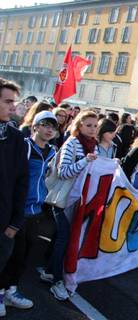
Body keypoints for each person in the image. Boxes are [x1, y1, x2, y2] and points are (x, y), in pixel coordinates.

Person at [1, 111, 57, 314]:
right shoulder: (24, 146)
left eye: (53, 126)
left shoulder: (52, 151)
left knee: (23, 256)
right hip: (17, 210)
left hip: (36, 210)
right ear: (35, 126)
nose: (49, 129)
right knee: (9, 255)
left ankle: (11, 291)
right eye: (45, 125)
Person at [46, 110, 99, 301]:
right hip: (63, 199)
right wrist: (85, 160)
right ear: (79, 125)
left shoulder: (94, 146)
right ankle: (56, 281)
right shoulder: (72, 143)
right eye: (89, 125)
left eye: (95, 125)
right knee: (64, 238)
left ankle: (50, 271)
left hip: (79, 201)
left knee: (65, 238)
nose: (93, 129)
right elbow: (64, 172)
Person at [0, 79, 29, 317]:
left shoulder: (16, 138)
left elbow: (22, 183)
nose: (13, 107)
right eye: (8, 101)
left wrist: (15, 222)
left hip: (4, 222)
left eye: (14, 102)